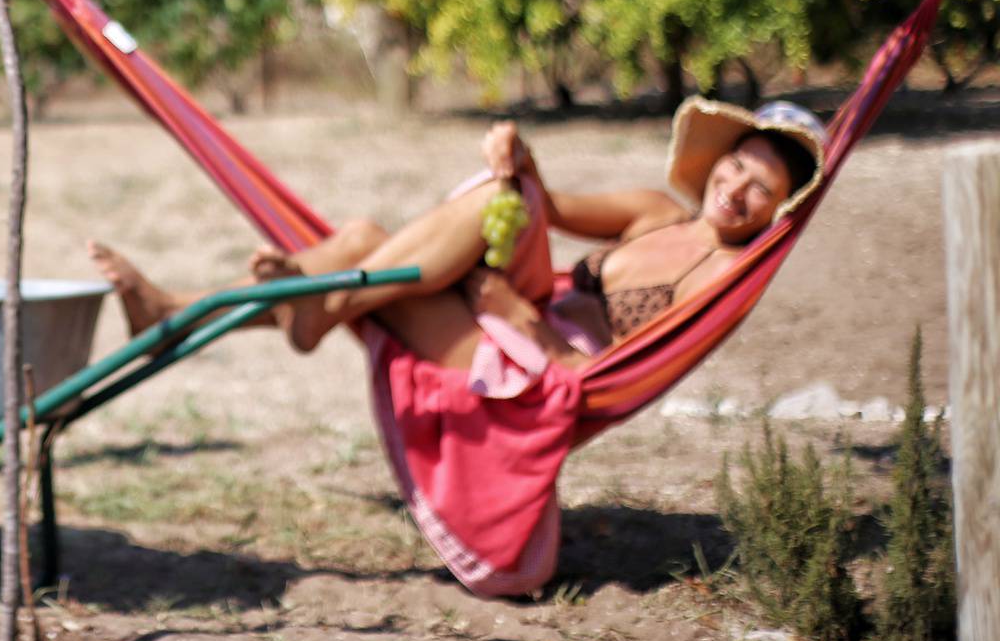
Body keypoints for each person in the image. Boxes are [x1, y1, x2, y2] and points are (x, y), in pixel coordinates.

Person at [89, 98, 827, 374]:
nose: (735, 188)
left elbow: (598, 380)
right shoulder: (654, 211)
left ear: (778, 209)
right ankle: (183, 306)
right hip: (509, 306)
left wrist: (520, 320)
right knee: (362, 237)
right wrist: (515, 148)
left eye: (760, 187)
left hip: (531, 366)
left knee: (367, 246)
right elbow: (550, 199)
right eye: (736, 165)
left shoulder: (718, 280)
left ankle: (277, 307)